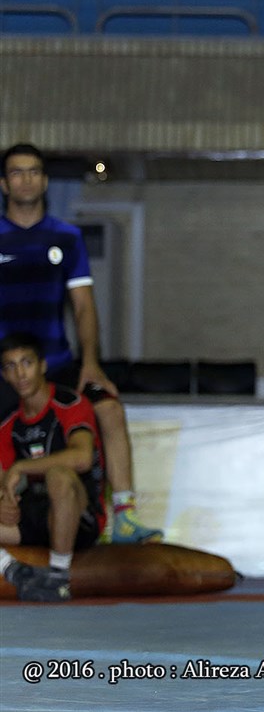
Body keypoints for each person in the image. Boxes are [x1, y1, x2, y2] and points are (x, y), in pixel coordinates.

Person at [0, 143, 161, 544]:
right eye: (17, 172)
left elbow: (84, 307)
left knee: (108, 407)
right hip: (4, 370)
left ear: (45, 181)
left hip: (56, 363)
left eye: (34, 171)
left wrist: (91, 363)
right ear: (4, 184)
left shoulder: (67, 238)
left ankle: (124, 516)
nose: (26, 180)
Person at [0, 332, 107, 601]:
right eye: (11, 366)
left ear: (43, 366)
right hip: (34, 515)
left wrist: (22, 467)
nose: (20, 374)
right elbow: (3, 478)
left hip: (78, 515)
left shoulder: (70, 404)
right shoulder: (8, 423)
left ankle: (58, 577)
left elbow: (82, 458)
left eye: (27, 363)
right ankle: (13, 570)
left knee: (58, 475)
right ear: (4, 375)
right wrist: (4, 502)